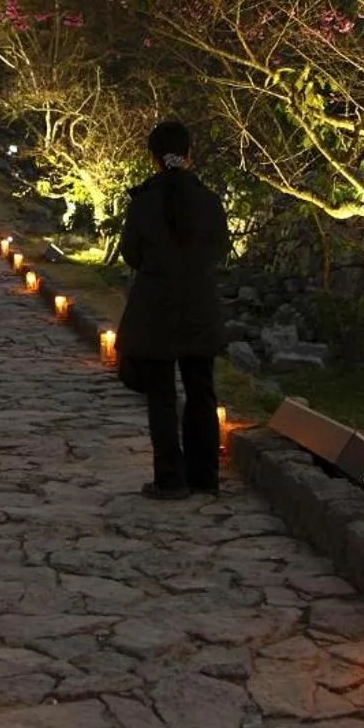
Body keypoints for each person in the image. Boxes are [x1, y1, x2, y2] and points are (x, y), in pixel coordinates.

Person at [116, 119, 232, 499]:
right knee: (202, 392)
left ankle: (169, 478)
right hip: (198, 306)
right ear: (189, 153)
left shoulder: (145, 202)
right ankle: (205, 475)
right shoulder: (209, 201)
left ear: (153, 158)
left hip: (156, 309)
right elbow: (220, 249)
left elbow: (131, 253)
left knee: (162, 397)